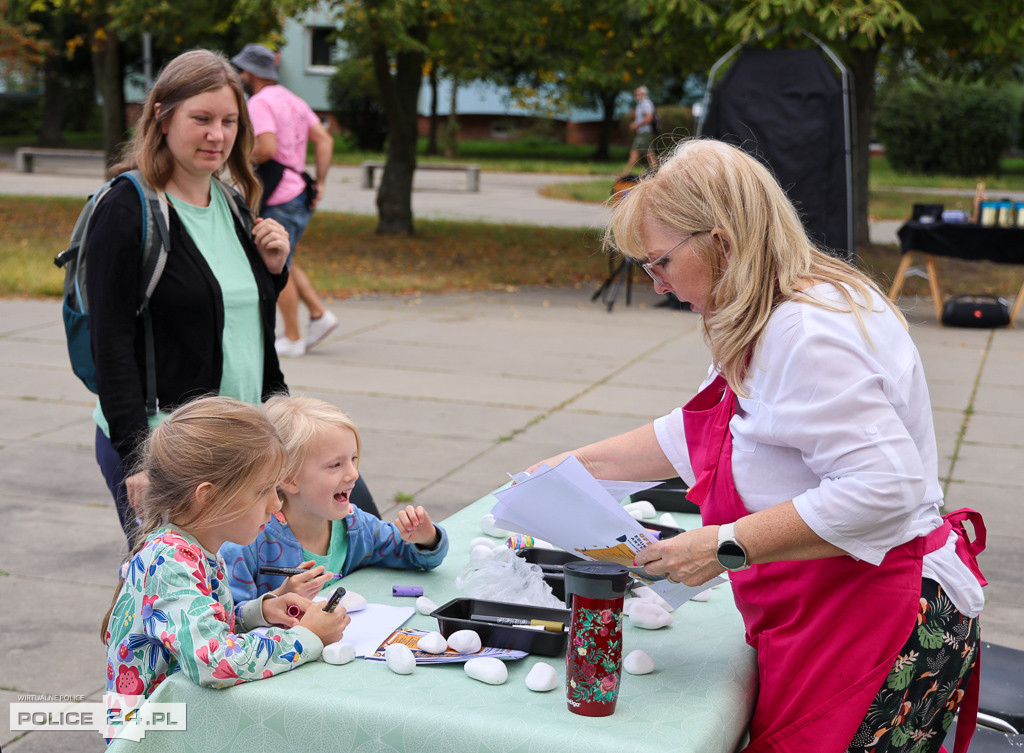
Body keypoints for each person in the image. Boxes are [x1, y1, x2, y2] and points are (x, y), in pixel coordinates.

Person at [529, 138, 987, 753]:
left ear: (718, 240)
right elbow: (701, 432)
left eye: (659, 262)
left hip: (868, 623)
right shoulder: (769, 310)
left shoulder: (805, 331)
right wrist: (569, 470)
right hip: (835, 613)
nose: (657, 284)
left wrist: (725, 547)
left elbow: (888, 488)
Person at [87, 49, 292, 546]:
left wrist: (274, 271)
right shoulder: (125, 207)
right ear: (161, 115)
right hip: (169, 449)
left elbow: (243, 321)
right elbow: (110, 341)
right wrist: (138, 457)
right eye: (200, 119)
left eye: (228, 121)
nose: (217, 135)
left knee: (253, 598)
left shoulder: (231, 202)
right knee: (175, 595)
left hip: (242, 443)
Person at [102, 397, 349, 707]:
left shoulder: (195, 547)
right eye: (263, 491)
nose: (276, 504)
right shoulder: (171, 563)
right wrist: (307, 637)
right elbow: (214, 663)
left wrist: (259, 612)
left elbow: (200, 627)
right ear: (208, 497)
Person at [223, 395, 449, 607]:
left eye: (353, 459)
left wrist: (426, 538)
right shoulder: (248, 542)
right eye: (335, 465)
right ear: (289, 479)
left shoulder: (355, 525)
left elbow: (415, 556)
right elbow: (229, 617)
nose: (353, 475)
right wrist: (278, 600)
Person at [232, 43, 338, 358]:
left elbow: (265, 149)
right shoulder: (294, 99)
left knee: (275, 263)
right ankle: (319, 316)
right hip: (299, 191)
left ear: (252, 72)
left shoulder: (260, 102)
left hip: (278, 193)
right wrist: (319, 181)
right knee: (286, 258)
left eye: (243, 70)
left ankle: (292, 337)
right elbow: (325, 139)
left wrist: (233, 159)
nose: (240, 75)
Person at [622, 85, 658, 176]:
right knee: (649, 153)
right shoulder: (641, 104)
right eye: (636, 94)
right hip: (643, 132)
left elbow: (649, 118)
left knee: (635, 151)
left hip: (645, 132)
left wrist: (636, 124)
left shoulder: (646, 104)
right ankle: (657, 173)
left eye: (638, 93)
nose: (636, 95)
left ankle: (625, 173)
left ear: (644, 93)